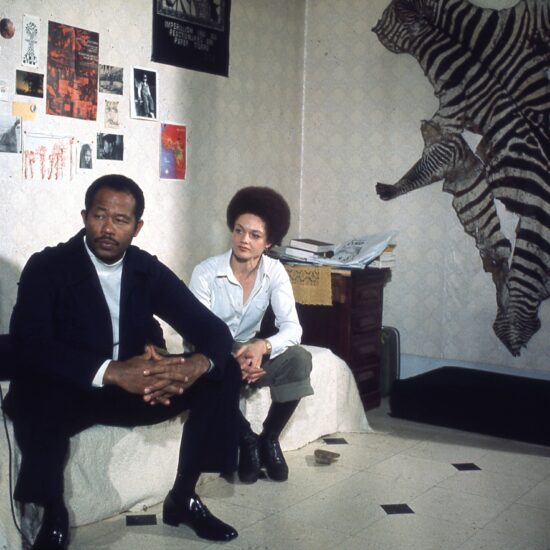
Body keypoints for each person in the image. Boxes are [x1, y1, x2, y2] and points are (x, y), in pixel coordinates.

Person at [3, 174, 241, 549]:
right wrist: (112, 372)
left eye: (121, 220)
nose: (108, 228)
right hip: (71, 389)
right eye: (100, 215)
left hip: (136, 391)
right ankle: (51, 508)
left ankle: (183, 496)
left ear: (137, 226)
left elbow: (212, 330)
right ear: (84, 216)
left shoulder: (146, 270)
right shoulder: (49, 266)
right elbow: (29, 346)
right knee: (36, 391)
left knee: (223, 372)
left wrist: (190, 366)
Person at [189, 186, 313, 484]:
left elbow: (293, 328)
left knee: (299, 358)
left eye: (255, 235)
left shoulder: (275, 272)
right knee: (210, 369)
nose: (244, 240)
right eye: (239, 231)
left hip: (248, 352)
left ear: (269, 242)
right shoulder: (206, 273)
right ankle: (246, 437)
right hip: (210, 352)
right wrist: (236, 355)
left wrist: (262, 346)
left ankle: (269, 438)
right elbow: (197, 332)